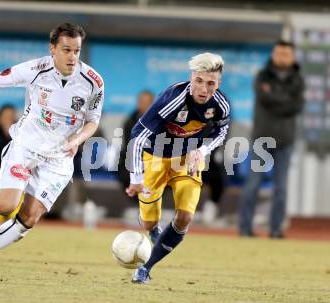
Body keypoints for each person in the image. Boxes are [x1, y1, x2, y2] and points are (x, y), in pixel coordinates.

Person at [0, 23, 104, 279]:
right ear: (53, 49)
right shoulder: (35, 69)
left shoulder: (93, 82)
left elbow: (93, 121)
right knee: (6, 208)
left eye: (77, 51)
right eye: (66, 50)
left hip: (59, 158)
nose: (72, 57)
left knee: (30, 217)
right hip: (26, 148)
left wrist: (78, 139)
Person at [126, 53, 230, 284]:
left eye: (211, 83)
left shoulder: (221, 104)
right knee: (149, 222)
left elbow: (221, 131)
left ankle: (146, 268)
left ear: (218, 84)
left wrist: (201, 151)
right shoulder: (171, 99)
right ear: (191, 78)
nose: (204, 89)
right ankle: (156, 234)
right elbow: (137, 135)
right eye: (199, 81)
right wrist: (136, 176)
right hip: (155, 158)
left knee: (184, 217)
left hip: (187, 160)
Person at [238, 40, 304, 239]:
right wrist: (285, 100)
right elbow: (268, 100)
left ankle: (275, 229)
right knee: (252, 185)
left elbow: (296, 107)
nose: (282, 57)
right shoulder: (261, 76)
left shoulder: (298, 79)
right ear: (273, 55)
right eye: (279, 53)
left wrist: (276, 98)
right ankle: (245, 228)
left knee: (281, 188)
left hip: (286, 140)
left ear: (292, 57)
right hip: (262, 141)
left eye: (286, 54)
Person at [117, 90, 155, 190]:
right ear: (138, 104)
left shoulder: (162, 123)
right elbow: (130, 148)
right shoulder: (129, 122)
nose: (145, 106)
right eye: (142, 103)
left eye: (148, 103)